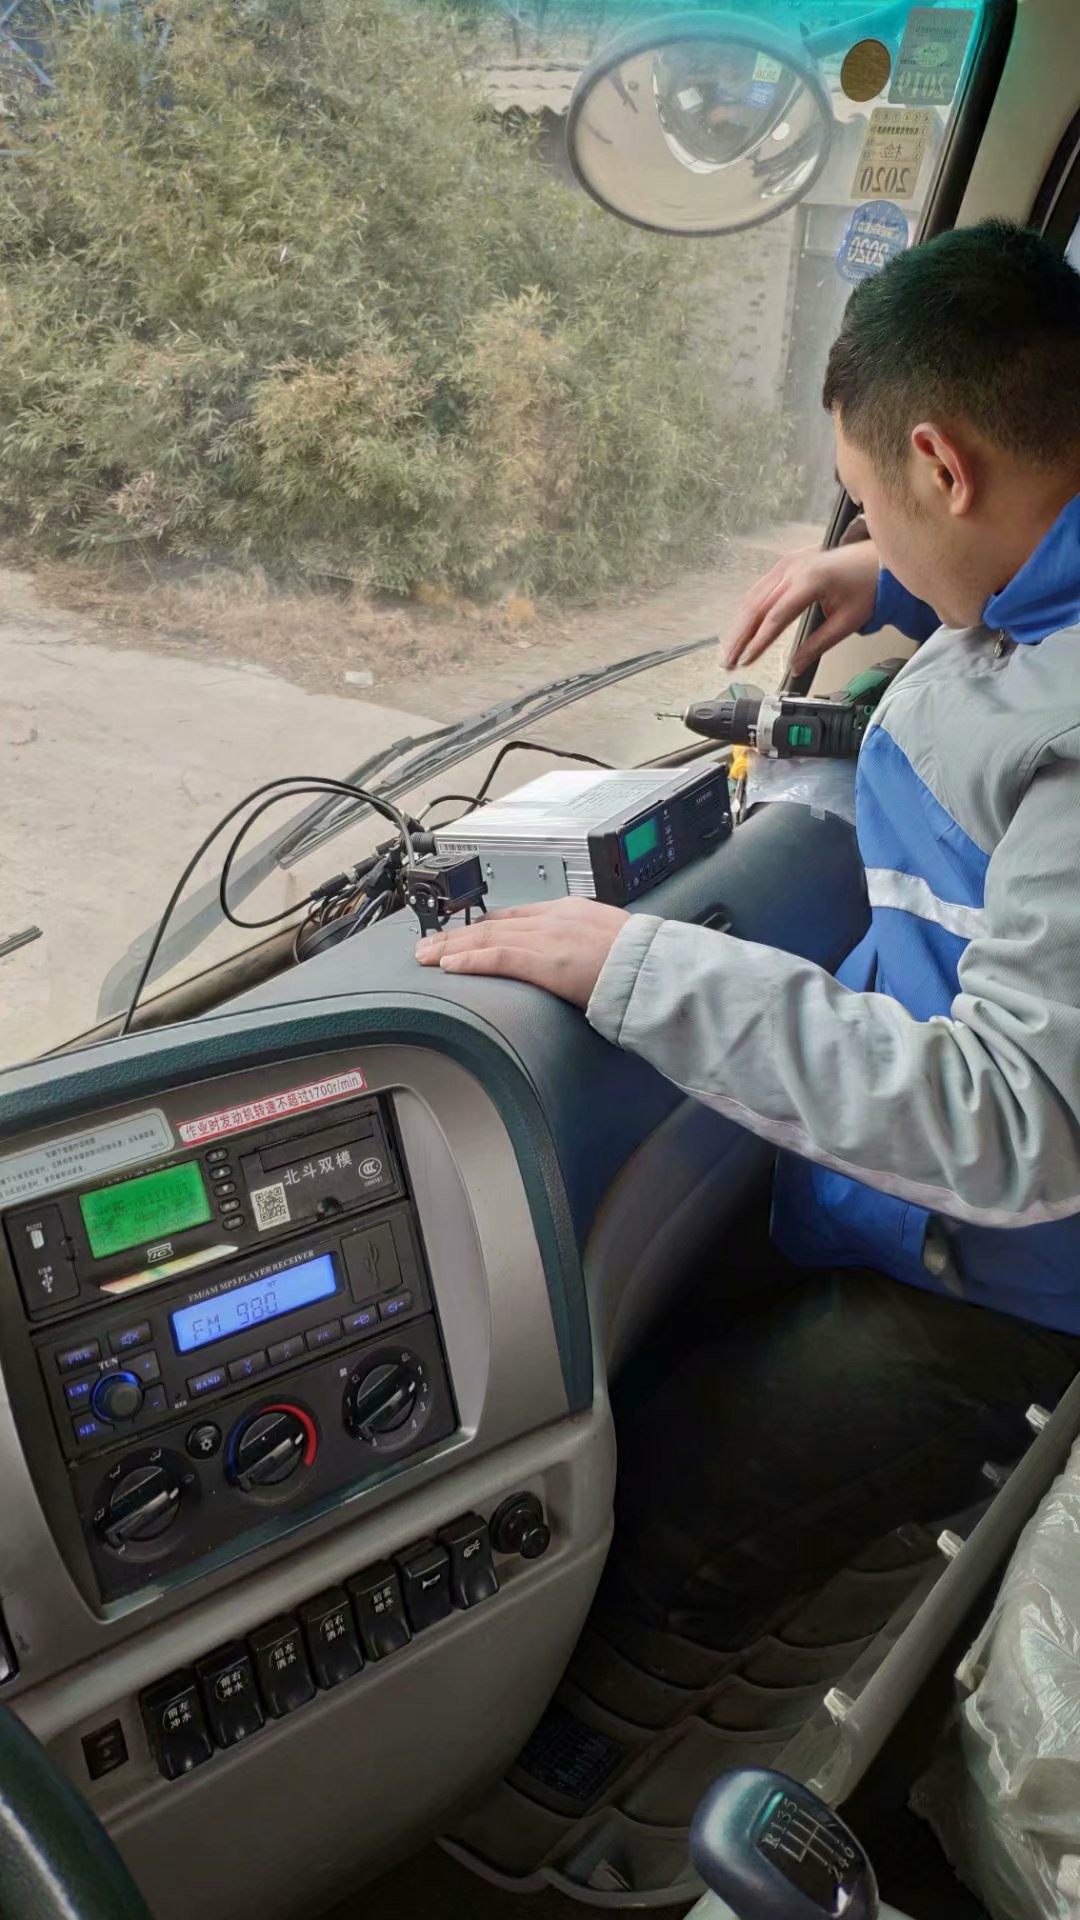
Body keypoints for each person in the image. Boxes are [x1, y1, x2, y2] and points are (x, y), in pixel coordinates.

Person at [416, 220, 1080, 1660]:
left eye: (869, 500)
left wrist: (639, 966)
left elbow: (1019, 1128)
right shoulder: (1035, 585)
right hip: (919, 1204)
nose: (862, 531)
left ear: (943, 466)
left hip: (1016, 1279)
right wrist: (898, 578)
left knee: (642, 1516)